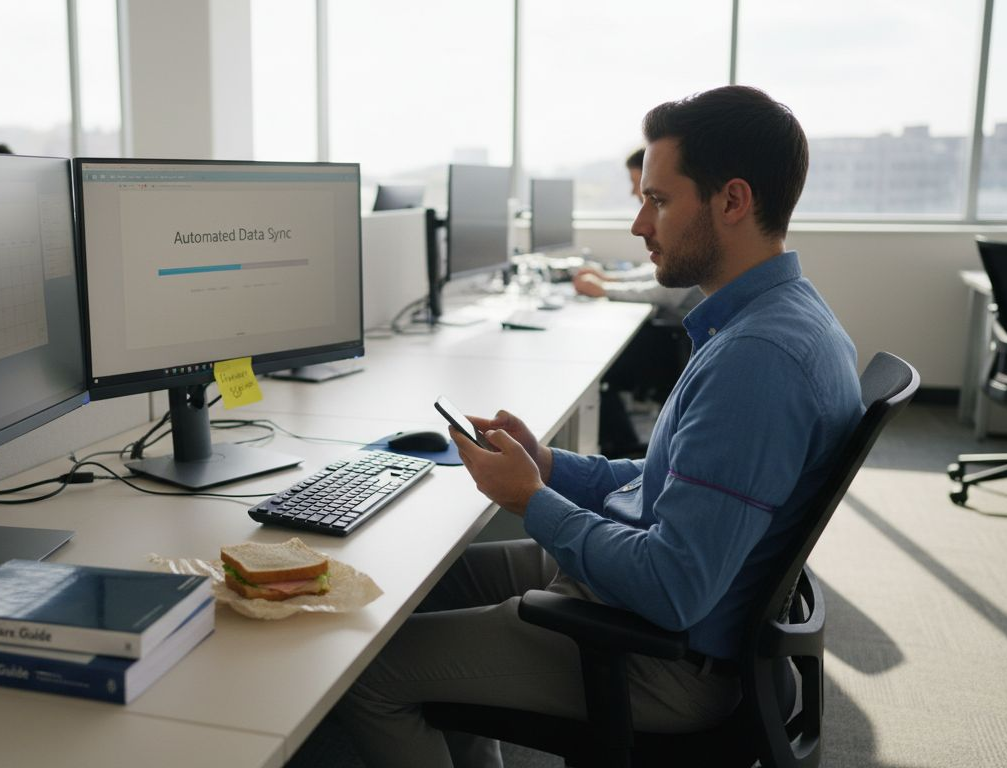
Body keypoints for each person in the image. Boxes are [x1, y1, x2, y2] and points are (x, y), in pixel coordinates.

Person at [335, 85, 863, 768]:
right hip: (663, 599)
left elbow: (673, 589)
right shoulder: (787, 317)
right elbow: (667, 482)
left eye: (659, 200)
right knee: (428, 586)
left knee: (370, 672)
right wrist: (550, 466)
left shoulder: (757, 362)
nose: (641, 224)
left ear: (733, 201)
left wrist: (530, 500)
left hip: (663, 657)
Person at [578, 148, 701, 458]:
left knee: (595, 365)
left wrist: (605, 289)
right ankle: (619, 444)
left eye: (654, 197)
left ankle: (618, 446)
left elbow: (662, 289)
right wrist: (608, 281)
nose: (634, 194)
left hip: (675, 349)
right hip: (677, 341)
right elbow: (657, 274)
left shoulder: (693, 238)